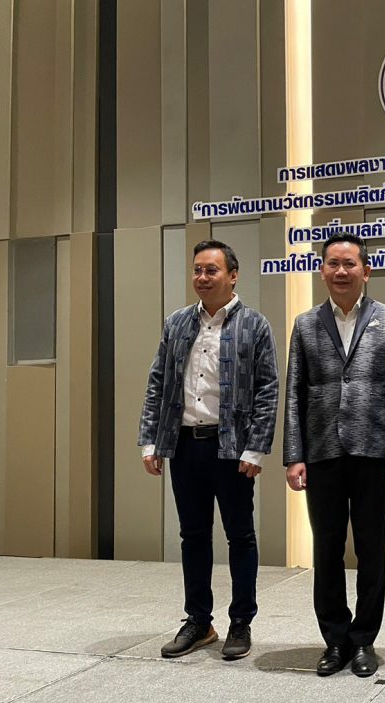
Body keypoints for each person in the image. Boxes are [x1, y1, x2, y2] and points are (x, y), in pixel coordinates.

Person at [139, 240, 278, 661]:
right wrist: (151, 439)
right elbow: (158, 382)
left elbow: (268, 390)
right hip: (184, 445)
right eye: (197, 270)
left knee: (240, 536)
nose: (202, 277)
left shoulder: (254, 325)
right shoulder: (177, 322)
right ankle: (199, 621)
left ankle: (241, 622)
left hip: (231, 448)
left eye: (211, 270)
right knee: (193, 536)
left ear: (233, 276)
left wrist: (256, 449)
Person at [283, 232, 385, 678]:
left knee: (371, 547)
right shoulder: (304, 324)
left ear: (365, 270)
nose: (341, 271)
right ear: (322, 271)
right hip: (321, 451)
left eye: (349, 264)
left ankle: (364, 640)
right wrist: (293, 455)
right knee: (327, 548)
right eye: (333, 264)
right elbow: (294, 394)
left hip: (374, 451)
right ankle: (335, 640)